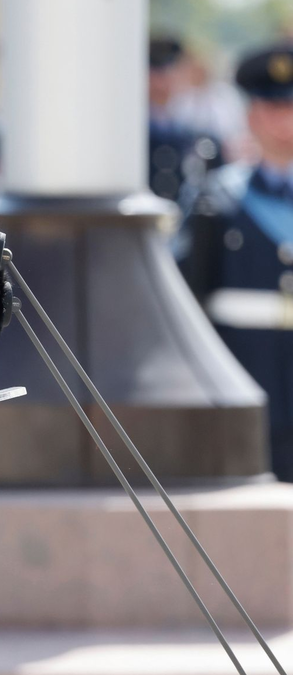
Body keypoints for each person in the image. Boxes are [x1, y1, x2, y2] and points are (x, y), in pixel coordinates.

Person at [178, 44, 293, 482]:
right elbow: (187, 299)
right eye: (271, 108)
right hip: (242, 394)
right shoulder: (216, 200)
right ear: (250, 116)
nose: (284, 122)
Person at [147, 36, 223, 202]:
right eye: (156, 73)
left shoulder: (190, 126)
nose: (162, 82)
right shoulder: (136, 127)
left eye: (170, 71)